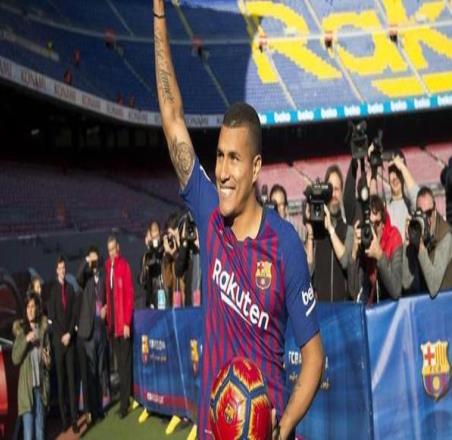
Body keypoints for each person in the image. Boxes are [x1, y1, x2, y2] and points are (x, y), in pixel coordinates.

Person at [153, 2, 325, 439]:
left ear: (256, 167)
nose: (223, 171)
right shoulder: (209, 212)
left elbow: (313, 355)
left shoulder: (284, 245)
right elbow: (172, 118)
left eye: (234, 158)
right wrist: (158, 17)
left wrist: (286, 423)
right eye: (219, 157)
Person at [304, 166, 354, 302]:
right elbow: (308, 270)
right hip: (321, 309)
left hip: (342, 307)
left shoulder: (348, 230)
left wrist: (331, 230)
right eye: (330, 189)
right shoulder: (316, 230)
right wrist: (310, 234)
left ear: (342, 193)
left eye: (337, 189)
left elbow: (346, 262)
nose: (333, 194)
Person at [349, 195, 403, 303]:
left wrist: (379, 255)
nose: (373, 230)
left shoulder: (394, 237)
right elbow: (353, 292)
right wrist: (354, 253)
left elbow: (396, 291)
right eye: (370, 225)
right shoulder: (364, 242)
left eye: (376, 224)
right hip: (371, 308)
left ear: (383, 223)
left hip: (390, 309)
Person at [12, 293, 51, 440]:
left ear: (37, 309)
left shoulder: (42, 331)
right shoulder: (21, 331)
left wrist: (47, 360)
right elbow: (15, 358)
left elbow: (48, 362)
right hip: (26, 392)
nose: (30, 310)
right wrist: (26, 340)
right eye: (28, 307)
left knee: (40, 434)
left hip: (40, 390)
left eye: (33, 306)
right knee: (28, 436)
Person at [76, 246, 108, 424]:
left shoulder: (102, 278)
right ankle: (93, 409)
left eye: (96, 260)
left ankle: (100, 408)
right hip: (88, 330)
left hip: (100, 327)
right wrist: (86, 262)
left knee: (100, 368)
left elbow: (107, 298)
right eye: (92, 260)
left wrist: (106, 308)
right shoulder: (86, 279)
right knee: (91, 371)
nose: (95, 263)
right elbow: (78, 276)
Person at [47, 256, 78, 433]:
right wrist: (62, 336)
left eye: (64, 267)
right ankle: (64, 419)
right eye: (60, 268)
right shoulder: (53, 291)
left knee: (72, 381)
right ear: (56, 270)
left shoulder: (71, 289)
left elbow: (74, 314)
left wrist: (70, 334)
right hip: (59, 344)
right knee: (61, 382)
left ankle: (74, 419)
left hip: (70, 342)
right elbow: (52, 317)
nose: (62, 270)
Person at [402, 186, 452, 297]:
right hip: (424, 304)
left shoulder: (445, 235)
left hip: (445, 304)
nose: (426, 218)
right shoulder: (417, 232)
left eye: (428, 213)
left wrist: (420, 247)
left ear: (435, 209)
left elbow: (433, 287)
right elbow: (406, 283)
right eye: (421, 214)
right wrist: (407, 242)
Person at [105, 235, 134, 419]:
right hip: (112, 325)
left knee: (124, 365)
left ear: (118, 248)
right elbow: (108, 294)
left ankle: (125, 404)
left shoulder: (124, 266)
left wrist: (126, 323)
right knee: (119, 365)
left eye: (113, 249)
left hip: (122, 325)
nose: (112, 253)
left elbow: (129, 295)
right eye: (109, 250)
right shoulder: (107, 266)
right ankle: (124, 400)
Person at [386, 153, 419, 240]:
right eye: (391, 172)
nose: (395, 177)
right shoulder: (385, 209)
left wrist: (402, 167)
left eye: (398, 171)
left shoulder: (410, 206)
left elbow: (418, 201)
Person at [175, 213, 201, 306]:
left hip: (205, 306)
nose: (191, 232)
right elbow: (178, 271)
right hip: (190, 304)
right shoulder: (185, 251)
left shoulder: (206, 248)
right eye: (188, 229)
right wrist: (184, 244)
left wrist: (200, 246)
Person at [161, 212, 185, 307]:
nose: (171, 239)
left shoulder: (186, 250)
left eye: (173, 235)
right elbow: (167, 282)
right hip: (174, 306)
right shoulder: (169, 256)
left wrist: (177, 251)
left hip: (186, 306)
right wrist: (167, 256)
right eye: (169, 236)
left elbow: (184, 274)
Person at [140, 221, 164, 308]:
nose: (155, 235)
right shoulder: (146, 256)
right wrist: (146, 266)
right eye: (152, 231)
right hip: (151, 297)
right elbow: (143, 282)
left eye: (156, 230)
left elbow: (158, 257)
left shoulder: (164, 250)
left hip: (162, 291)